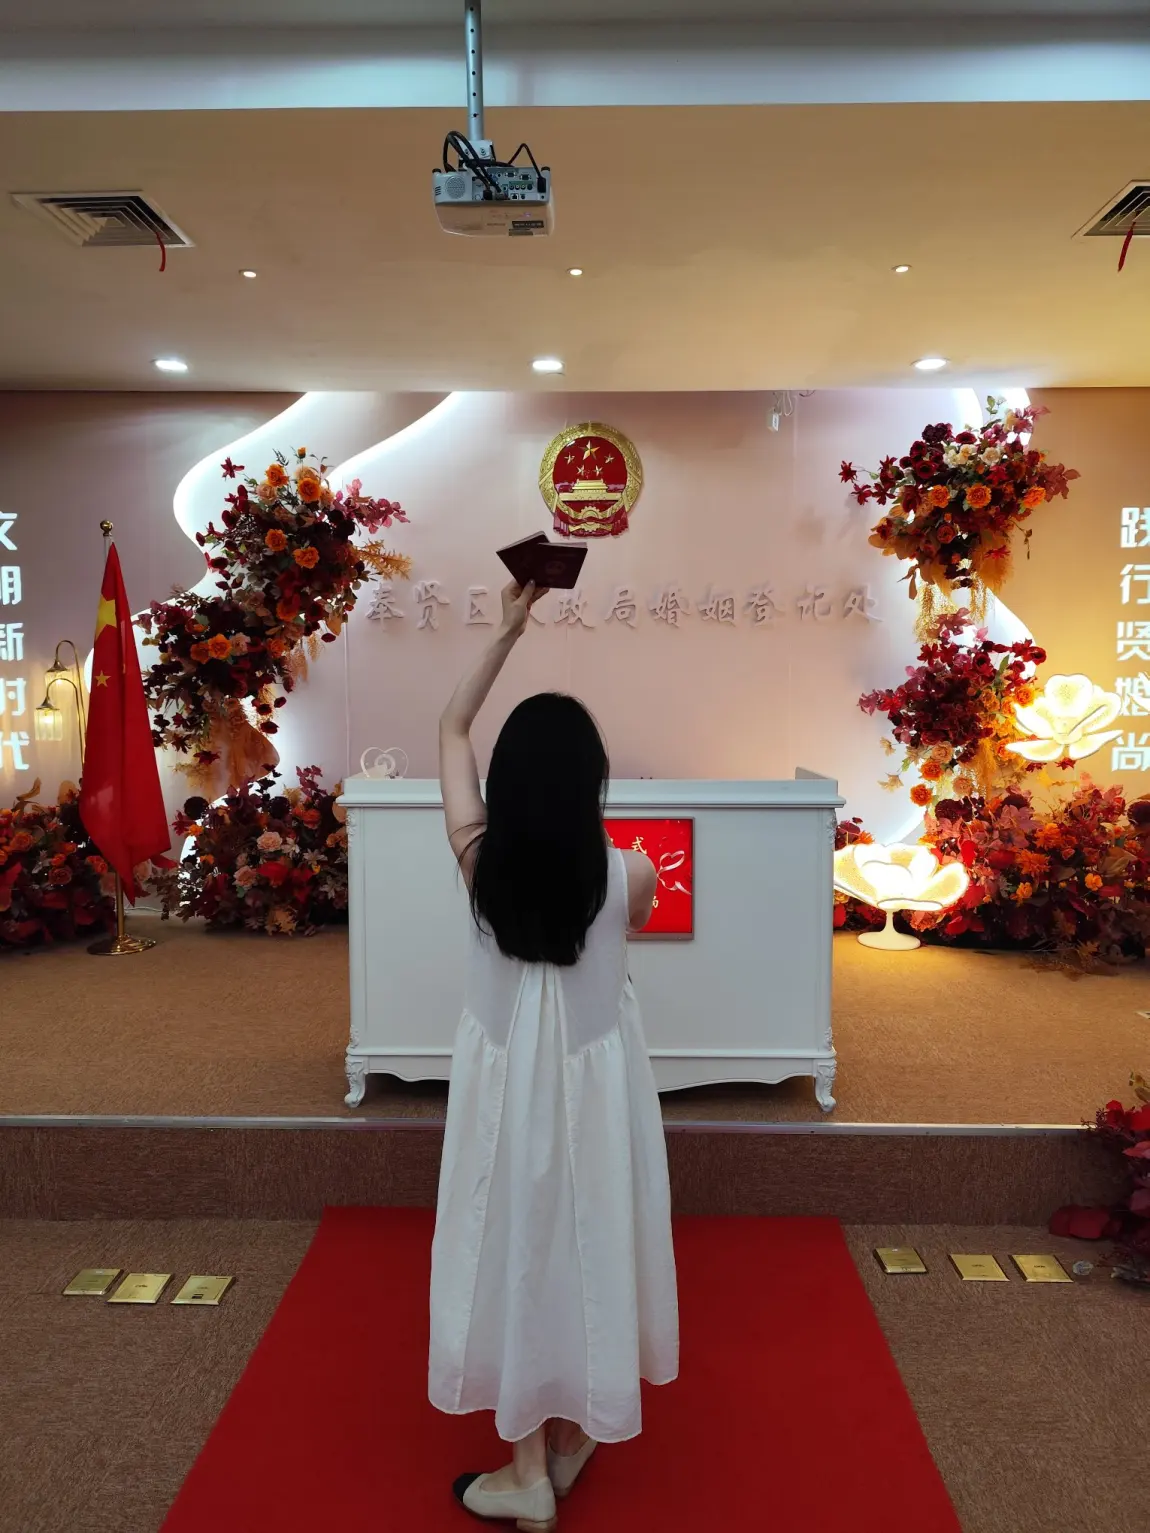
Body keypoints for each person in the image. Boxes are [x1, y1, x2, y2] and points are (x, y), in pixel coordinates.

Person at [429, 581, 679, 1530]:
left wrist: (506, 628)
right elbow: (618, 917)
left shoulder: (477, 861)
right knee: (591, 1240)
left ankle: (530, 1464)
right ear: (588, 786)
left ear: (508, 783)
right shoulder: (631, 875)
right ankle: (575, 1434)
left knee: (511, 1244)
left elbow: (452, 727)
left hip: (503, 1092)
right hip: (596, 1094)